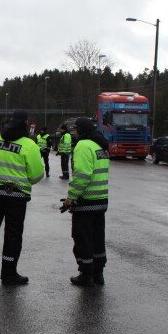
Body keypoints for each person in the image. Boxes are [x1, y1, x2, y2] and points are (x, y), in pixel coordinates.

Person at [0, 110, 45, 285]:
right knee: (12, 235)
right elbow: (37, 174)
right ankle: (8, 274)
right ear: (25, 123)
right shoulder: (29, 145)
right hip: (16, 196)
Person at [63, 117, 110, 287]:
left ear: (80, 130)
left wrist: (71, 198)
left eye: (74, 130)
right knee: (98, 239)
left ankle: (86, 274)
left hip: (86, 202)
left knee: (83, 239)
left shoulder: (83, 146)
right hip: (101, 201)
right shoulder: (100, 146)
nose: (73, 133)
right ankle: (99, 273)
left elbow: (83, 175)